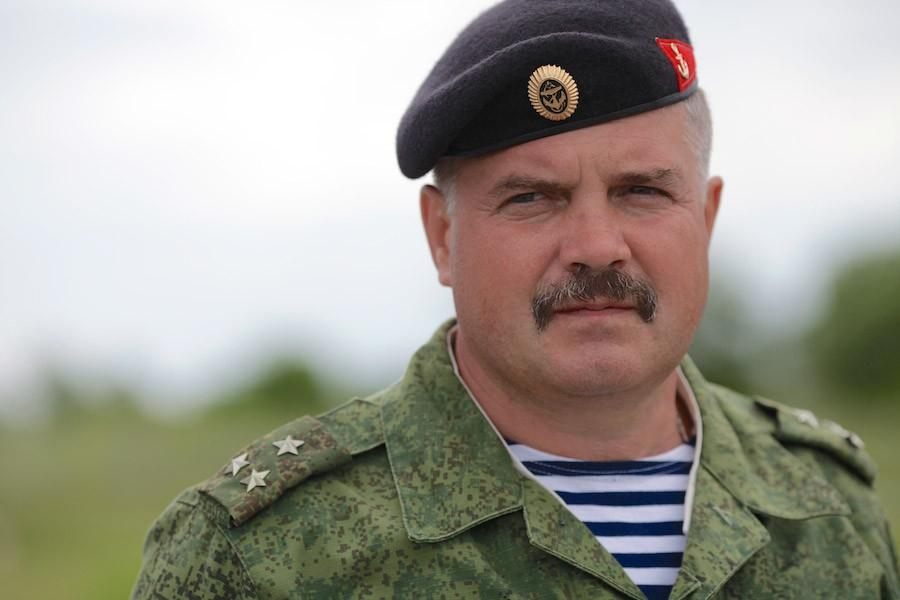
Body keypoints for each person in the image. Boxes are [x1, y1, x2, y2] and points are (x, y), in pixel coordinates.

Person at [132, 1, 899, 598]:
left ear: (706, 217)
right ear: (442, 236)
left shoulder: (830, 510)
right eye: (532, 197)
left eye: (641, 191)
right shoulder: (259, 556)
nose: (596, 245)